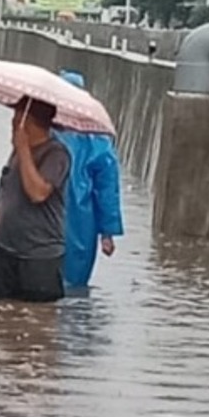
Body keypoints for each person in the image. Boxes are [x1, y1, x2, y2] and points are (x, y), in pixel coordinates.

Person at [0, 97, 72, 303]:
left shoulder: (57, 154)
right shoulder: (17, 152)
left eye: (17, 118)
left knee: (37, 324)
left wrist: (23, 149)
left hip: (38, 256)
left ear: (28, 123)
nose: (12, 124)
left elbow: (38, 193)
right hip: (1, 250)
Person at [53, 70, 124, 289]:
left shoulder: (43, 131)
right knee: (74, 283)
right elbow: (106, 190)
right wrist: (107, 232)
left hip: (46, 215)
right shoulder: (97, 139)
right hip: (82, 222)